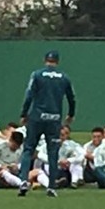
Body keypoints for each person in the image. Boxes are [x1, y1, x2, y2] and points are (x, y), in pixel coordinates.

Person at [17, 50, 76, 198]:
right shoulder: (64, 77)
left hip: (37, 117)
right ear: (57, 61)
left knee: (28, 149)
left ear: (45, 60)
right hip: (54, 119)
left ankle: (23, 180)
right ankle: (51, 186)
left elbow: (29, 95)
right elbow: (71, 98)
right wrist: (71, 114)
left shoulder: (37, 75)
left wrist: (24, 113)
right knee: (53, 153)